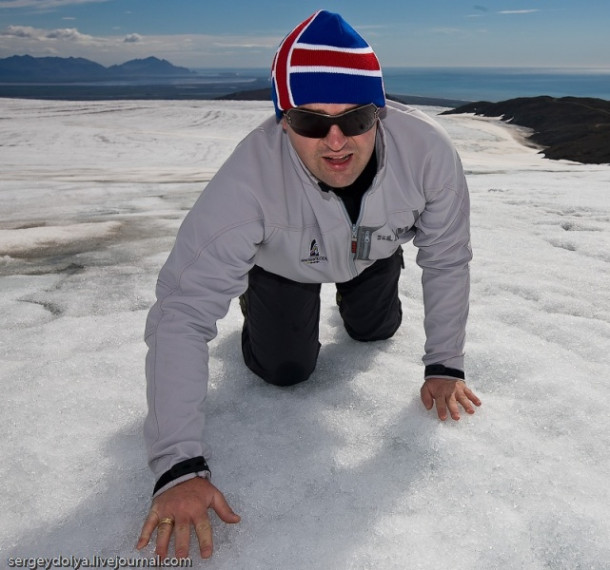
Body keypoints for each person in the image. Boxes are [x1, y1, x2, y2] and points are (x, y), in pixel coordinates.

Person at [137, 9, 481, 560]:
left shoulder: (429, 152)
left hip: (373, 256)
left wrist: (445, 364)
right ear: (282, 121)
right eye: (310, 122)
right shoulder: (244, 185)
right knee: (284, 370)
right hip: (283, 268)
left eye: (358, 116)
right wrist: (178, 465)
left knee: (376, 332)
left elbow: (446, 256)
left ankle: (365, 298)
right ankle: (261, 300)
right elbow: (180, 312)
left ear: (381, 112)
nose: (337, 140)